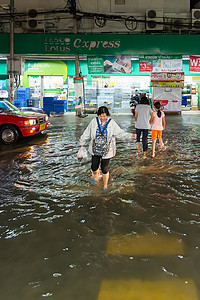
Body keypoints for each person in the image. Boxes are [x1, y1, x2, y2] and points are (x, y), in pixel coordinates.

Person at [79, 106, 135, 192]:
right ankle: (96, 175)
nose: (102, 118)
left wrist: (130, 136)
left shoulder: (111, 123)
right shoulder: (94, 121)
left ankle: (105, 185)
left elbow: (120, 133)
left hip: (107, 150)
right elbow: (87, 132)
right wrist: (82, 143)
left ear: (107, 115)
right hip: (95, 149)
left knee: (104, 168)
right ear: (98, 115)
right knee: (94, 167)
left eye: (104, 116)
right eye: (101, 116)